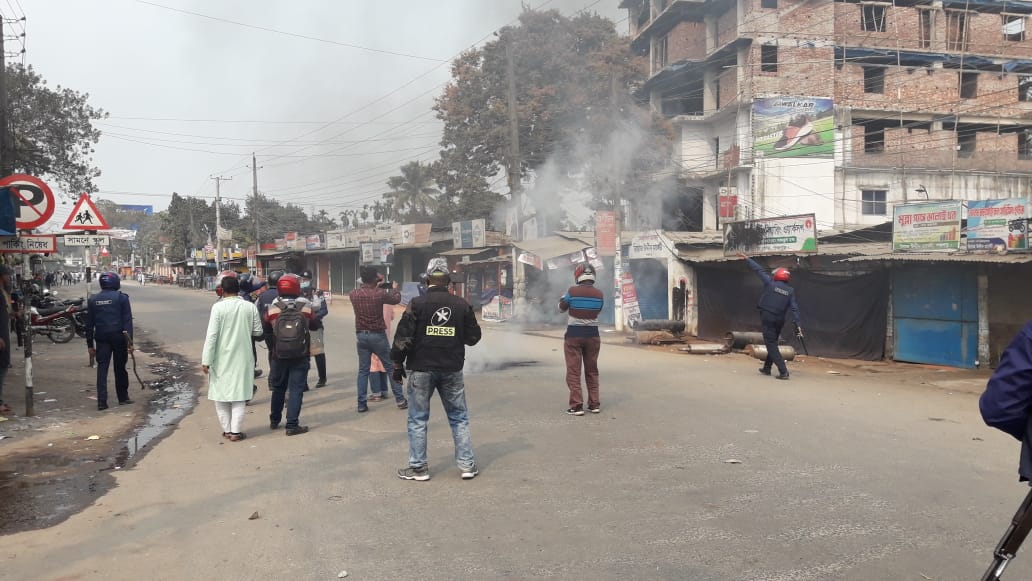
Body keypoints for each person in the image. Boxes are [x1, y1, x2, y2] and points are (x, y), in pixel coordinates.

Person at [392, 258, 482, 481]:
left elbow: (403, 338)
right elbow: (473, 338)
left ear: (427, 279)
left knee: (418, 419)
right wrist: (455, 332)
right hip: (451, 369)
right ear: (448, 280)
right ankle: (467, 465)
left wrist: (396, 364)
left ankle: (419, 468)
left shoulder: (416, 304)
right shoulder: (462, 305)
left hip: (420, 369)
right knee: (459, 418)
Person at [202, 272, 264, 442]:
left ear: (222, 291)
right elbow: (258, 331)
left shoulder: (218, 307)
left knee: (220, 395)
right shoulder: (249, 307)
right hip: (243, 357)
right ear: (238, 289)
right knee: (239, 394)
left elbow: (212, 336)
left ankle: (227, 430)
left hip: (220, 358)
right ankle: (236, 432)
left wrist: (206, 360)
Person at [265, 274, 318, 436]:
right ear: (296, 287)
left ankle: (274, 420)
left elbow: (266, 328)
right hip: (300, 354)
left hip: (278, 354)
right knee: (296, 389)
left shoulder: (273, 307)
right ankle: (292, 425)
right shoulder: (306, 305)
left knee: (278, 388)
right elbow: (315, 325)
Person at [349, 266, 406, 413]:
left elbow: (366, 288)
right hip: (378, 335)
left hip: (361, 336)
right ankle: (400, 399)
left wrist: (375, 283)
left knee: (363, 370)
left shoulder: (353, 294)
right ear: (375, 279)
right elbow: (396, 299)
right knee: (390, 367)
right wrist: (394, 288)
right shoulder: (380, 294)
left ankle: (361, 404)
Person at [738, 252, 803, 380]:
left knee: (770, 344)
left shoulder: (770, 283)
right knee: (772, 342)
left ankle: (783, 371)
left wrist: (748, 259)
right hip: (780, 320)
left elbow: (759, 270)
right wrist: (797, 323)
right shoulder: (790, 291)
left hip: (768, 317)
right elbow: (794, 308)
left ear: (777, 276)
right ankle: (767, 368)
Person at [558, 263, 605, 416]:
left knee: (574, 372)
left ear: (578, 275)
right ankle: (594, 404)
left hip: (574, 336)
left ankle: (576, 406)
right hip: (593, 336)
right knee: (592, 371)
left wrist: (563, 299)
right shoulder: (599, 294)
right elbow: (597, 310)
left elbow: (561, 308)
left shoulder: (572, 291)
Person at [86, 272, 134, 410]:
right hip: (119, 338)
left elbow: (89, 325)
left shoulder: (93, 300)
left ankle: (102, 402)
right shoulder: (122, 298)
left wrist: (90, 345)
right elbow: (127, 322)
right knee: (120, 368)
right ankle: (123, 398)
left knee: (102, 369)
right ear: (115, 283)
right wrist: (130, 343)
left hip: (101, 338)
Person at [300, 270, 328, 388]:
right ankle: (304, 382)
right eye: (303, 279)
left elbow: (324, 309)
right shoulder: (298, 292)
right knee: (303, 355)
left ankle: (322, 378)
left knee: (318, 353)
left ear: (311, 279)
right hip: (301, 327)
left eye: (306, 279)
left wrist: (313, 317)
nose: (304, 281)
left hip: (315, 326)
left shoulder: (318, 292)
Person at [369, 274, 394, 401]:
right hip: (385, 337)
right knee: (384, 364)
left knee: (373, 364)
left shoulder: (372, 298)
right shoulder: (388, 299)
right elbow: (392, 316)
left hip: (374, 335)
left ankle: (376, 393)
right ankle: (384, 391)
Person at [0, 266, 11, 414]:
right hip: (1, 337)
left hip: (4, 334)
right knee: (1, 368)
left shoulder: (3, 292)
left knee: (3, 367)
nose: (9, 278)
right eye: (7, 275)